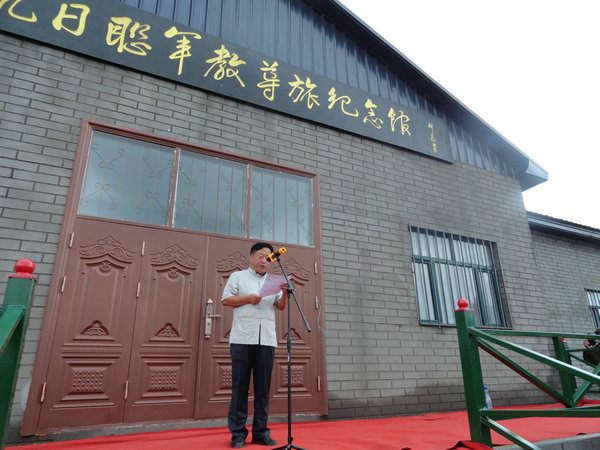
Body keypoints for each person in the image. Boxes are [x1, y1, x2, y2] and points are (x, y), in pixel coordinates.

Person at [221, 242, 288, 448]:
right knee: (240, 387)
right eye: (260, 256)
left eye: (268, 258)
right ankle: (238, 434)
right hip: (242, 339)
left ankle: (261, 432)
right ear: (251, 257)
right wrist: (248, 298)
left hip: (266, 340)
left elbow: (280, 306)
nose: (263, 261)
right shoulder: (238, 276)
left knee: (262, 389)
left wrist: (284, 293)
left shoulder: (274, 281)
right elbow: (226, 300)